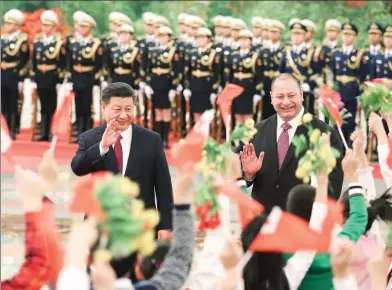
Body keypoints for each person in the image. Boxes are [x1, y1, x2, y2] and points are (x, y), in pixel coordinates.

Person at [71, 82, 173, 239]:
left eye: (129, 109)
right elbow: (78, 168)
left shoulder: (151, 140)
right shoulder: (90, 138)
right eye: (117, 109)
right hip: (102, 225)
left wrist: (166, 225)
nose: (124, 115)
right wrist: (102, 147)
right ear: (103, 107)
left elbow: (163, 185)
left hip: (141, 226)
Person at [240, 73, 344, 212]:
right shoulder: (258, 130)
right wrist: (249, 174)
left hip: (304, 221)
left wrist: (318, 219)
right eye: (280, 97)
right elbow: (243, 180)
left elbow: (333, 187)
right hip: (265, 221)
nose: (286, 102)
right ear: (271, 98)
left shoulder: (324, 133)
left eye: (291, 95)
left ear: (301, 94)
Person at [68, 12, 103, 142]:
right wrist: (69, 79)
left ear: (90, 28)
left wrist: (96, 81)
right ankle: (79, 131)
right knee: (78, 105)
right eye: (80, 26)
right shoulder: (75, 43)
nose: (82, 29)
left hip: (88, 78)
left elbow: (99, 65)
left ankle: (88, 133)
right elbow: (70, 62)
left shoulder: (96, 44)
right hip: (77, 78)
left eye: (85, 26)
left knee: (88, 106)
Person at [31, 10, 66, 141]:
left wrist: (61, 80)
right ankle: (43, 132)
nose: (45, 28)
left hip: (52, 78)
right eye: (44, 25)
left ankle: (51, 132)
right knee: (42, 106)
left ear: (54, 27)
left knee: (52, 106)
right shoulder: (38, 41)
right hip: (40, 77)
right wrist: (33, 77)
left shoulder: (59, 42)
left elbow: (62, 62)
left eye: (48, 25)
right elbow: (34, 61)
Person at [1, 8, 29, 140]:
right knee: (3, 104)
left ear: (17, 25)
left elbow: (24, 61)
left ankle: (12, 129)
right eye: (6, 23)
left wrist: (21, 79)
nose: (6, 26)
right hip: (3, 75)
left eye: (9, 23)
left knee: (13, 105)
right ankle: (4, 129)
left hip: (14, 76)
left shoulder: (22, 40)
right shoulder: (3, 39)